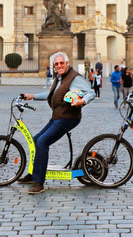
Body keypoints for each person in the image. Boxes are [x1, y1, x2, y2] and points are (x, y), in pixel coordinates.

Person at [18, 52, 95, 194]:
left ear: (67, 63)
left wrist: (82, 101)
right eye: (56, 64)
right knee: (36, 139)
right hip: (58, 116)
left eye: (61, 63)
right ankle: (33, 174)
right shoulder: (60, 78)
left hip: (68, 118)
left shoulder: (74, 78)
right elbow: (51, 95)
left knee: (42, 142)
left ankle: (38, 183)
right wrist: (32, 96)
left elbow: (91, 93)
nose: (59, 66)